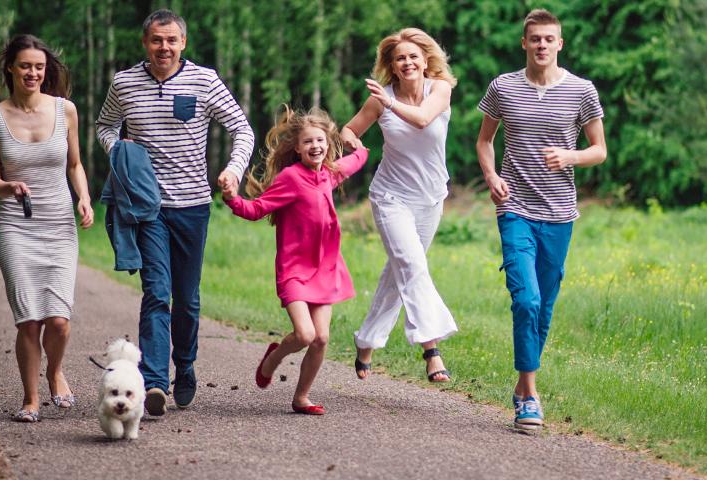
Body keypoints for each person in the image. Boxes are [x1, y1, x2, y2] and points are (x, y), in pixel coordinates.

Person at [96, 9, 255, 416]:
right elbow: (105, 126)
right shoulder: (124, 83)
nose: (164, 47)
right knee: (156, 292)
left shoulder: (204, 80)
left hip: (193, 206)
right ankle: (153, 381)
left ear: (183, 42)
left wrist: (233, 170)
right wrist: (120, 152)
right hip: (146, 208)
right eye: (156, 40)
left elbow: (243, 129)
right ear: (145, 43)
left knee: (186, 299)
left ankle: (184, 364)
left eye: (171, 40)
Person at [475, 9, 607, 430]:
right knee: (526, 299)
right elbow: (484, 141)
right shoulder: (503, 87)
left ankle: (521, 385)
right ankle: (530, 397)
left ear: (560, 44)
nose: (542, 45)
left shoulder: (581, 90)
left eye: (549, 39)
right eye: (535, 39)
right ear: (524, 43)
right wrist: (492, 177)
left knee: (544, 305)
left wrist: (570, 156)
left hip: (560, 213)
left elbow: (599, 150)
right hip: (514, 208)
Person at [219, 107, 369, 415]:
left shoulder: (329, 173)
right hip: (295, 270)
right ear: (297, 148)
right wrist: (232, 199)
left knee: (321, 338)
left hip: (325, 268)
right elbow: (257, 209)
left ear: (327, 143)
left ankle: (301, 397)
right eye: (308, 141)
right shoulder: (290, 178)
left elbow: (357, 160)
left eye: (320, 140)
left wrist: (358, 145)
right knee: (305, 335)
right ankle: (273, 358)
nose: (315, 146)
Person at [0, 35, 95, 422]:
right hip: (15, 225)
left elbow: (75, 165)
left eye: (39, 67)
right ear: (10, 68)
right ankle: (30, 400)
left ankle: (55, 371)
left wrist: (84, 197)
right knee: (29, 319)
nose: (33, 73)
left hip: (59, 223)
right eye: (26, 66)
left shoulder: (65, 110)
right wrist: (9, 187)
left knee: (58, 321)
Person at [339, 28, 458, 383]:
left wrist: (389, 104)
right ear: (391, 66)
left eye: (412, 56)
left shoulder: (440, 89)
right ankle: (431, 350)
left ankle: (366, 341)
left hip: (431, 198)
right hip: (391, 197)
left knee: (399, 273)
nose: (407, 63)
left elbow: (422, 119)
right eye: (399, 58)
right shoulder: (381, 98)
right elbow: (349, 129)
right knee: (412, 264)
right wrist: (355, 145)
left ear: (425, 60)